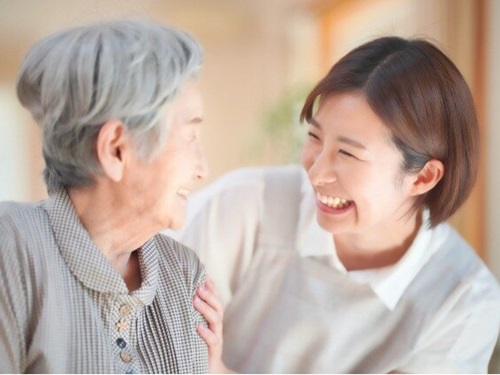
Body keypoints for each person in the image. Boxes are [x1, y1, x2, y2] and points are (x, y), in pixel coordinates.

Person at [173, 36, 500, 373]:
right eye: (314, 137)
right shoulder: (244, 204)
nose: (316, 174)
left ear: (422, 178)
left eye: (347, 154)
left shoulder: (464, 302)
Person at [0, 19, 224, 373]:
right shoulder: (10, 249)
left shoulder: (184, 272)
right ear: (116, 150)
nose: (202, 168)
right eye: (189, 137)